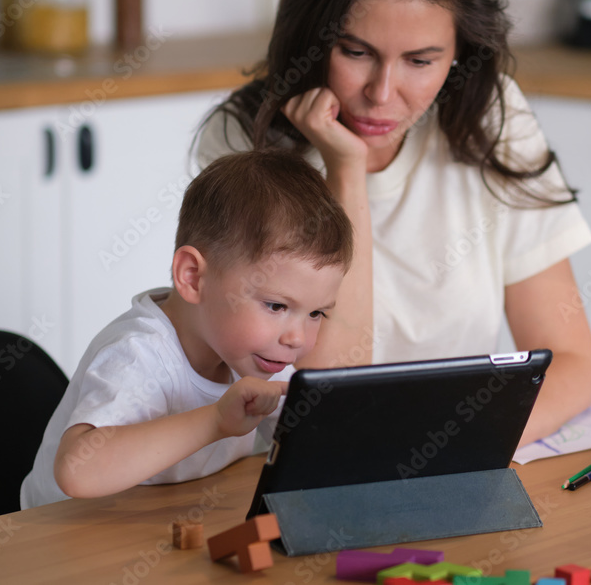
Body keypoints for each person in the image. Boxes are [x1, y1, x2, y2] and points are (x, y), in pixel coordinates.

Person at [195, 0, 591, 446]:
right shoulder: (244, 141)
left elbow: (569, 361)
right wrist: (346, 172)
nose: (382, 94)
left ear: (458, 54)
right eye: (356, 53)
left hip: (448, 451)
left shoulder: (490, 119)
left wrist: (453, 441)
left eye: (420, 61)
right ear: (312, 38)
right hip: (289, 463)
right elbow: (323, 388)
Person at [20, 151, 353, 508]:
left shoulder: (261, 353)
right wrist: (215, 421)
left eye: (317, 313)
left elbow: (311, 451)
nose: (297, 339)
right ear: (193, 277)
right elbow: (76, 472)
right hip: (62, 543)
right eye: (276, 306)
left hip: (158, 527)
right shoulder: (139, 355)